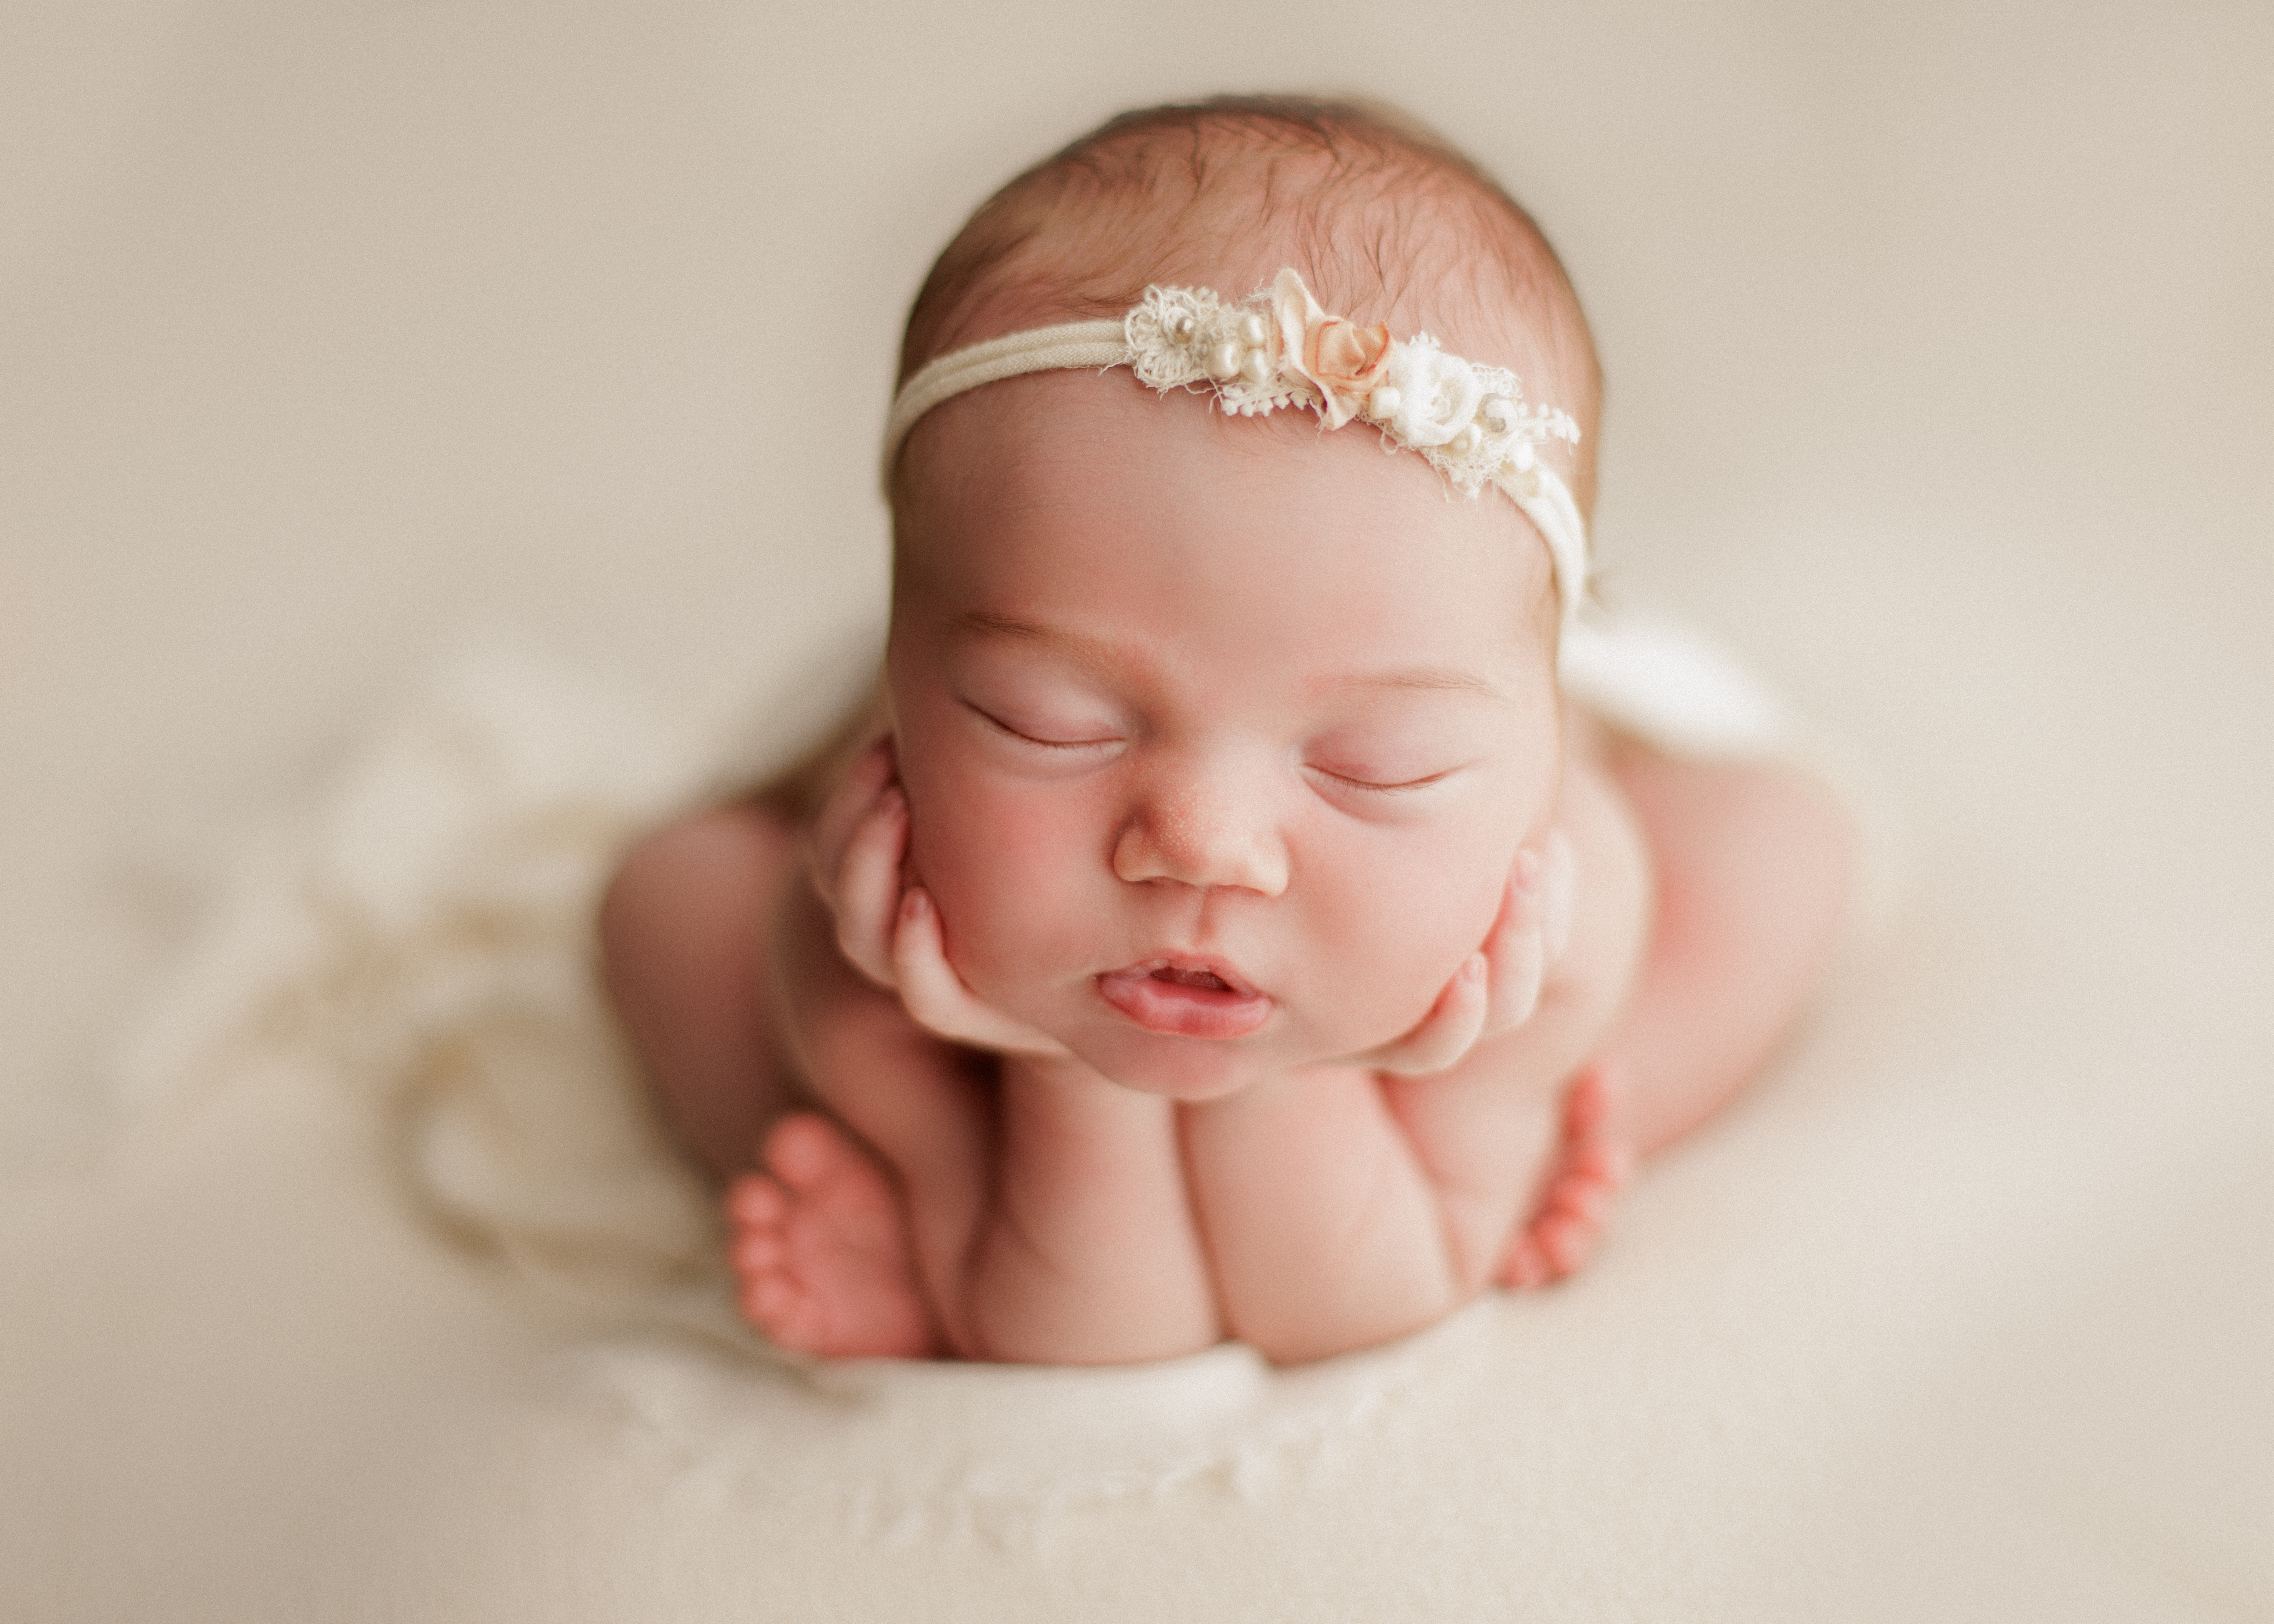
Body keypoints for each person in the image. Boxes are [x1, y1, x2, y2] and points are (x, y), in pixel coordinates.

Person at [598, 96, 1857, 1366]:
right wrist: (1060, 1078)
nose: (1203, 845)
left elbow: (1351, 1308)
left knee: (1780, 845)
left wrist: (1314, 1081)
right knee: (668, 898)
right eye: (1054, 728)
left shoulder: (1553, 917)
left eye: (1376, 765)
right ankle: (928, 1193)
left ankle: (1554, 1130)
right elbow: (1087, 1345)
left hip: (1523, 940)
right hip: (912, 942)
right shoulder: (869, 915)